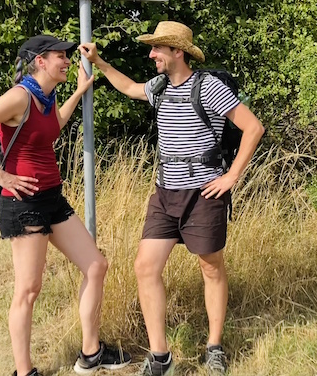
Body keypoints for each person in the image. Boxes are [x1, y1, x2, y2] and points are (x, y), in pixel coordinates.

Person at [80, 21, 265, 376]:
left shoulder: (208, 87)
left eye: (157, 49)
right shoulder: (160, 86)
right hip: (165, 193)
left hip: (203, 193)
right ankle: (160, 357)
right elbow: (130, 88)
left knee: (210, 267)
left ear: (177, 52)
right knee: (145, 267)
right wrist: (100, 63)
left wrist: (231, 176)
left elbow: (253, 127)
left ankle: (214, 347)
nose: (151, 55)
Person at [0, 35, 132, 376]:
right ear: (40, 61)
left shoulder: (46, 97)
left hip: (52, 198)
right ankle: (24, 372)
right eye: (60, 56)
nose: (67, 61)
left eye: (66, 55)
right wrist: (1, 175)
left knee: (95, 265)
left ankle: (91, 353)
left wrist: (78, 92)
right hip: (23, 204)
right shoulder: (19, 96)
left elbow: (52, 128)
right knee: (29, 289)